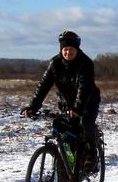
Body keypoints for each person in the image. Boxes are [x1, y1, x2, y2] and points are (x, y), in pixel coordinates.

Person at [21, 31, 101, 173]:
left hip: (88, 103)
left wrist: (78, 108)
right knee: (64, 132)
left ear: (76, 49)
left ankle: (91, 156)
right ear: (61, 50)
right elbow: (43, 86)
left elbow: (85, 87)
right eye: (65, 49)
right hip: (67, 105)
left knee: (85, 124)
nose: (67, 52)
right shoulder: (55, 63)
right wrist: (33, 106)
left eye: (71, 49)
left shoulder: (86, 63)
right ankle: (65, 175)